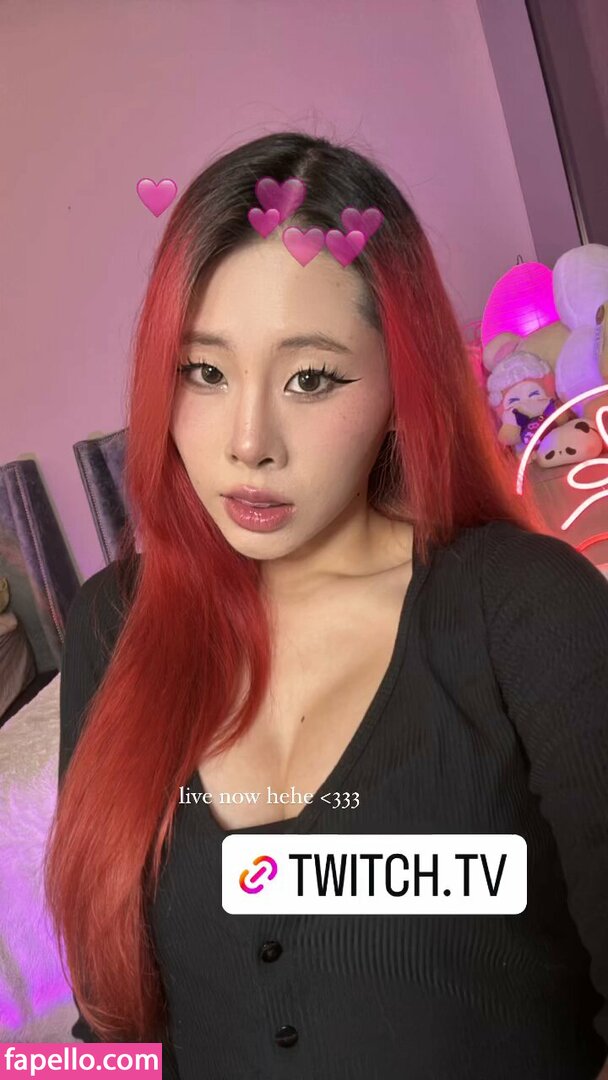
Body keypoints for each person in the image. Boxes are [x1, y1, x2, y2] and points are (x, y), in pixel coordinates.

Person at [44, 131, 608, 1080]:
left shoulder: (526, 613)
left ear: (400, 379)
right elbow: (118, 1032)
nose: (248, 443)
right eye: (204, 371)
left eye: (310, 378)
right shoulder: (112, 629)